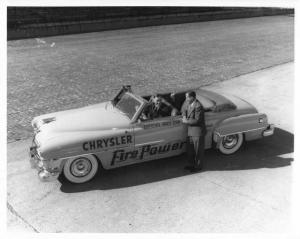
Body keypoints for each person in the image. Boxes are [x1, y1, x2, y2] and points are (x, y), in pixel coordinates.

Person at [181, 91, 207, 172]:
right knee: (190, 150)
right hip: (191, 132)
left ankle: (198, 166)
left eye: (187, 97)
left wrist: (186, 121)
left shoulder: (198, 106)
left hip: (197, 132)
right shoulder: (188, 103)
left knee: (198, 151)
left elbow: (197, 120)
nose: (186, 99)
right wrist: (184, 116)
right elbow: (183, 109)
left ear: (192, 97)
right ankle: (191, 165)